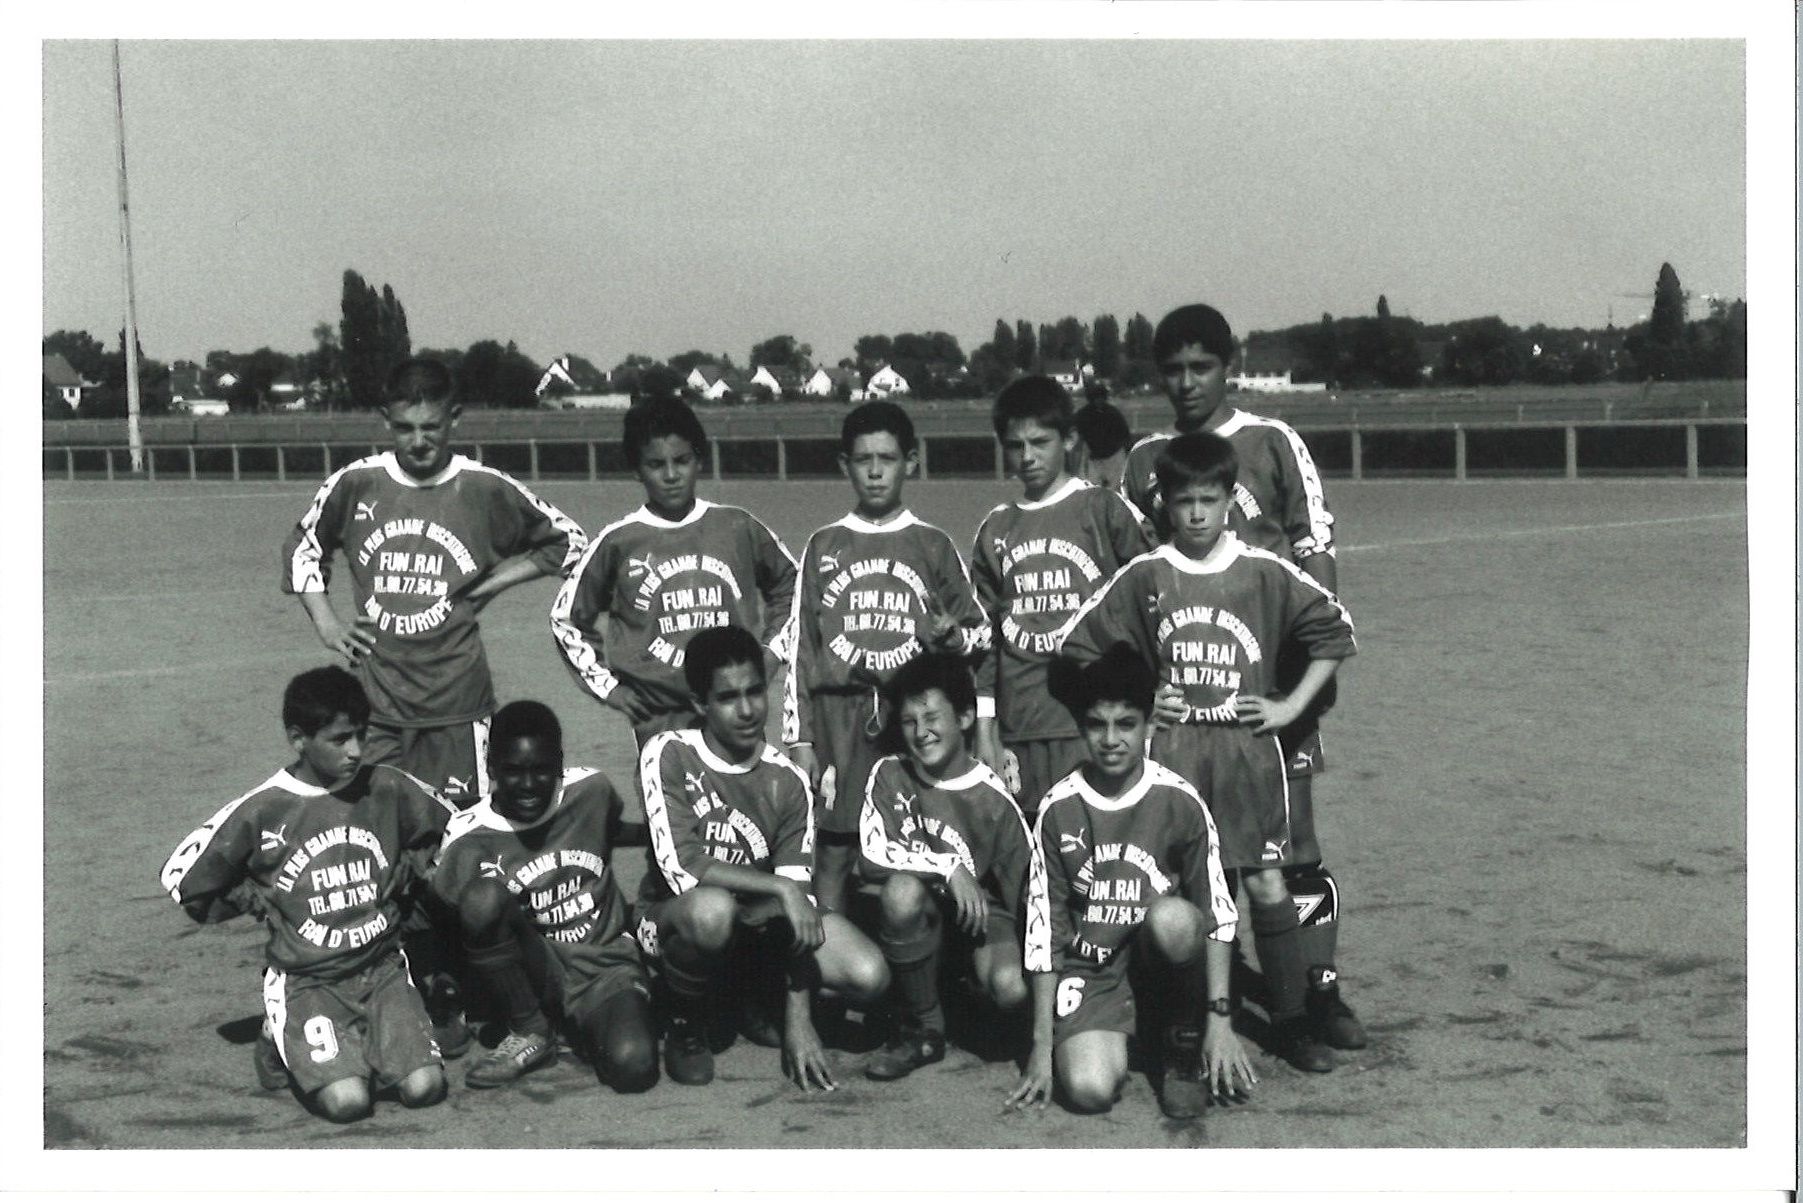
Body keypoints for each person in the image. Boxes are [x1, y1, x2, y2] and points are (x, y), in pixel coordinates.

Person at [1059, 431, 1356, 1074]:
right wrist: (1143, 700)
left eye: (1209, 499)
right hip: (1176, 749)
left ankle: (1291, 1020)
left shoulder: (1262, 570)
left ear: (1228, 500)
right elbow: (1079, 647)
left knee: (1267, 880)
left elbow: (1336, 632)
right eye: (1184, 500)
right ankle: (1181, 1026)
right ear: (1165, 503)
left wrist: (1288, 706)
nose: (1196, 513)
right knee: (1181, 893)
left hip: (1248, 748)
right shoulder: (1145, 575)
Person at [1121, 303, 1366, 1051]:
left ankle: (1317, 995)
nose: (1186, 382)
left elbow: (1313, 550)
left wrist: (1303, 689)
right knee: (1186, 855)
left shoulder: (1270, 441)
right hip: (1188, 698)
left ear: (1229, 365)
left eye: (1201, 367)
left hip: (1265, 694)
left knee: (1290, 851)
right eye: (1173, 369)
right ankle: (1186, 1000)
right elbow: (1132, 576)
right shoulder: (1144, 459)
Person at [282, 356, 586, 807]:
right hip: (376, 706)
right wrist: (327, 622)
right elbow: (305, 546)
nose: (419, 441)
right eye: (405, 428)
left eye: (432, 427)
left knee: (460, 831)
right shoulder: (357, 483)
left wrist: (492, 584)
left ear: (455, 418)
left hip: (458, 704)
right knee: (378, 827)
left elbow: (572, 544)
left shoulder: (483, 487)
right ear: (386, 419)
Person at [159, 666, 454, 1123]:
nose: (355, 751)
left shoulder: (389, 786)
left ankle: (367, 1037)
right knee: (349, 1104)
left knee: (424, 1089)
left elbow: (457, 827)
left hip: (382, 968)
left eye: (360, 735)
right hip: (308, 980)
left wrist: (413, 867)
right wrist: (252, 897)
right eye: (339, 740)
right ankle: (277, 1036)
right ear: (299, 739)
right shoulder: (264, 806)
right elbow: (181, 876)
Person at [637, 624, 889, 1090]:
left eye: (755, 691)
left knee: (868, 974)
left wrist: (799, 1019)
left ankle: (752, 997)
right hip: (674, 919)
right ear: (699, 704)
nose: (749, 709)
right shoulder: (668, 753)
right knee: (713, 911)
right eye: (729, 697)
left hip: (754, 927)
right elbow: (684, 870)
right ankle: (684, 1018)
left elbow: (800, 904)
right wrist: (778, 887)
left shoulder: (787, 780)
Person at [1008, 647, 1253, 1121]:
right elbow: (1044, 929)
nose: (1111, 739)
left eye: (1125, 724)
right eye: (1097, 725)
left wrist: (1220, 1019)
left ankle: (1181, 1046)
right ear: (1082, 729)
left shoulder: (1180, 800)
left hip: (1158, 964)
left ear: (1147, 726)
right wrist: (1041, 1045)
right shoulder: (1059, 808)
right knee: (1087, 1090)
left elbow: (1219, 914)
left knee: (1176, 918)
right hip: (1094, 971)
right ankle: (1124, 1035)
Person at [784, 401, 989, 913]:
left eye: (888, 459)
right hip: (838, 719)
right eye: (863, 460)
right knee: (833, 850)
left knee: (919, 842)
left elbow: (981, 637)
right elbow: (799, 648)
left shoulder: (934, 545)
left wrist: (951, 638)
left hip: (910, 719)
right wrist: (800, 738)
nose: (875, 471)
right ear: (844, 465)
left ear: (911, 463)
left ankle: (922, 960)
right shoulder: (823, 543)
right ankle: (830, 963)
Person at [430, 700, 656, 1092]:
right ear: (490, 767)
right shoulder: (467, 838)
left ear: (560, 762)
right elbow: (449, 917)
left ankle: (585, 1028)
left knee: (633, 1066)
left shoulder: (591, 790)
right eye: (514, 771)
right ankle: (530, 1029)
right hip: (535, 969)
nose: (529, 784)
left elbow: (611, 829)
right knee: (482, 899)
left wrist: (657, 838)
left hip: (605, 964)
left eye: (541, 769)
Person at [551, 396, 797, 752]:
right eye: (655, 464)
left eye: (681, 461)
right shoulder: (619, 541)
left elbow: (794, 584)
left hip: (735, 711)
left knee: (745, 804)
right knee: (671, 806)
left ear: (699, 459)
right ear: (637, 470)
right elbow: (567, 618)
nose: (670, 475)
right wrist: (609, 688)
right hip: (660, 720)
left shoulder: (737, 526)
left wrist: (771, 654)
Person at [970, 375, 1150, 818]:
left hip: (1093, 720)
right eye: (1015, 445)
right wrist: (986, 725)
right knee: (1033, 849)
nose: (1027, 456)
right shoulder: (997, 527)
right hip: (1023, 723)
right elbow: (984, 640)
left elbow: (1150, 606)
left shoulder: (1104, 510)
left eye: (1040, 441)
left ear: (1069, 439)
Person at [856, 653, 1034, 1081]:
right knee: (900, 892)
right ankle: (924, 1027)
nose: (921, 733)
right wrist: (948, 868)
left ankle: (965, 996)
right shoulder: (890, 773)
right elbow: (873, 854)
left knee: (1011, 988)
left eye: (933, 717)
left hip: (978, 924)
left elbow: (1029, 894)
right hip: (923, 918)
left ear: (966, 716)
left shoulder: (994, 799)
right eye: (909, 722)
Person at [1071, 394, 1133, 492]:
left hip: (1114, 455)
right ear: (1090, 399)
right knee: (1091, 488)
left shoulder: (1112, 413)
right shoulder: (1083, 414)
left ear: (1104, 399)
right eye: (1096, 398)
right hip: (1095, 457)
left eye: (1100, 398)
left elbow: (1125, 434)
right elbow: (1073, 431)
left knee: (1116, 489)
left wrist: (1127, 451)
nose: (1098, 401)